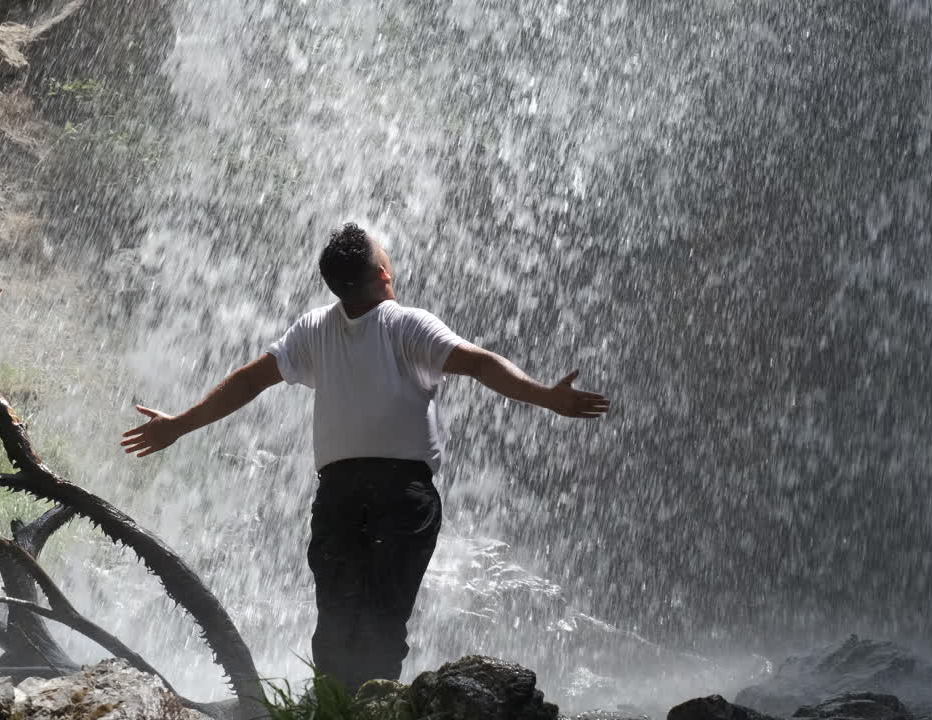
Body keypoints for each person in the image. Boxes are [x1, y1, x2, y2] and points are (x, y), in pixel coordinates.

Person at [120, 222, 610, 691]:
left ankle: (336, 707)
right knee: (382, 621)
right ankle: (371, 706)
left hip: (337, 495)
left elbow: (248, 381)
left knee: (336, 620)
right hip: (401, 496)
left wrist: (179, 426)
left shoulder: (314, 328)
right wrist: (546, 397)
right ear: (383, 274)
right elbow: (480, 363)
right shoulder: (406, 324)